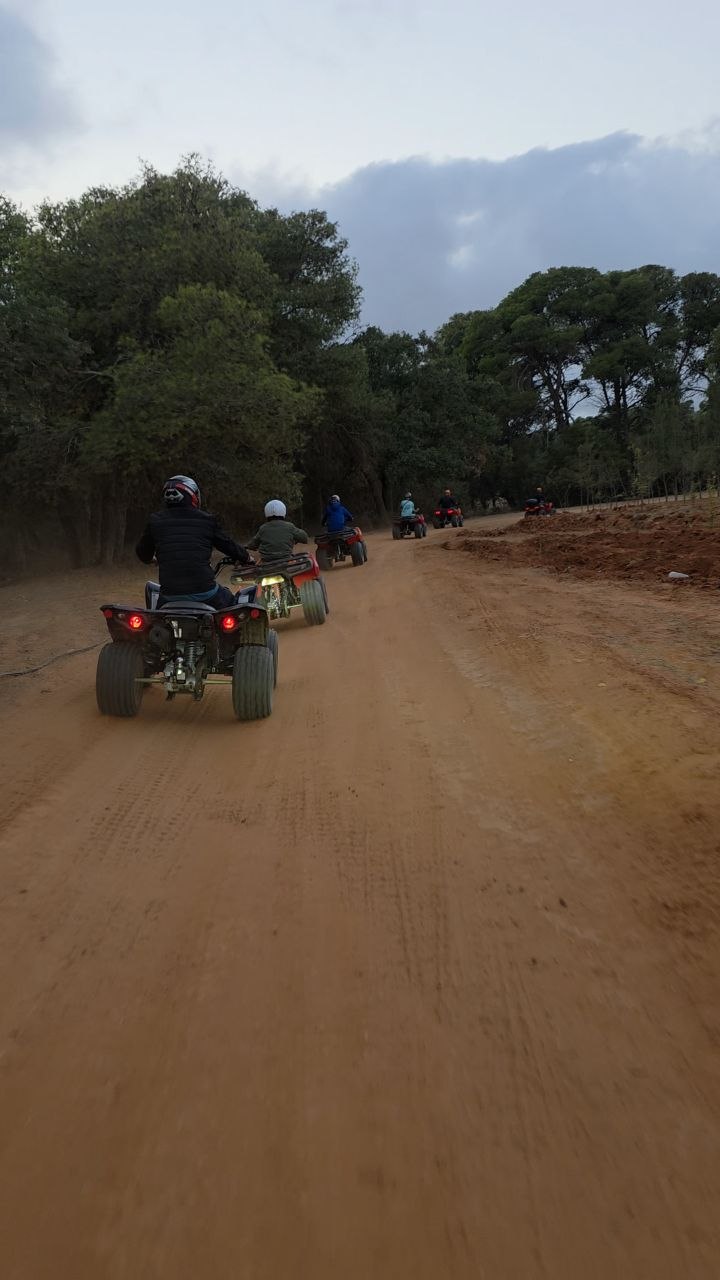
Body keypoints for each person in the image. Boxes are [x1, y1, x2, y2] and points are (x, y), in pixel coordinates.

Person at [136, 474, 251, 608]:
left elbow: (142, 553)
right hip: (206, 594)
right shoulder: (207, 520)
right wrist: (246, 558)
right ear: (193, 495)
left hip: (169, 596)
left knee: (155, 619)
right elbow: (228, 545)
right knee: (234, 607)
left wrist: (152, 559)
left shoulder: (155, 521)